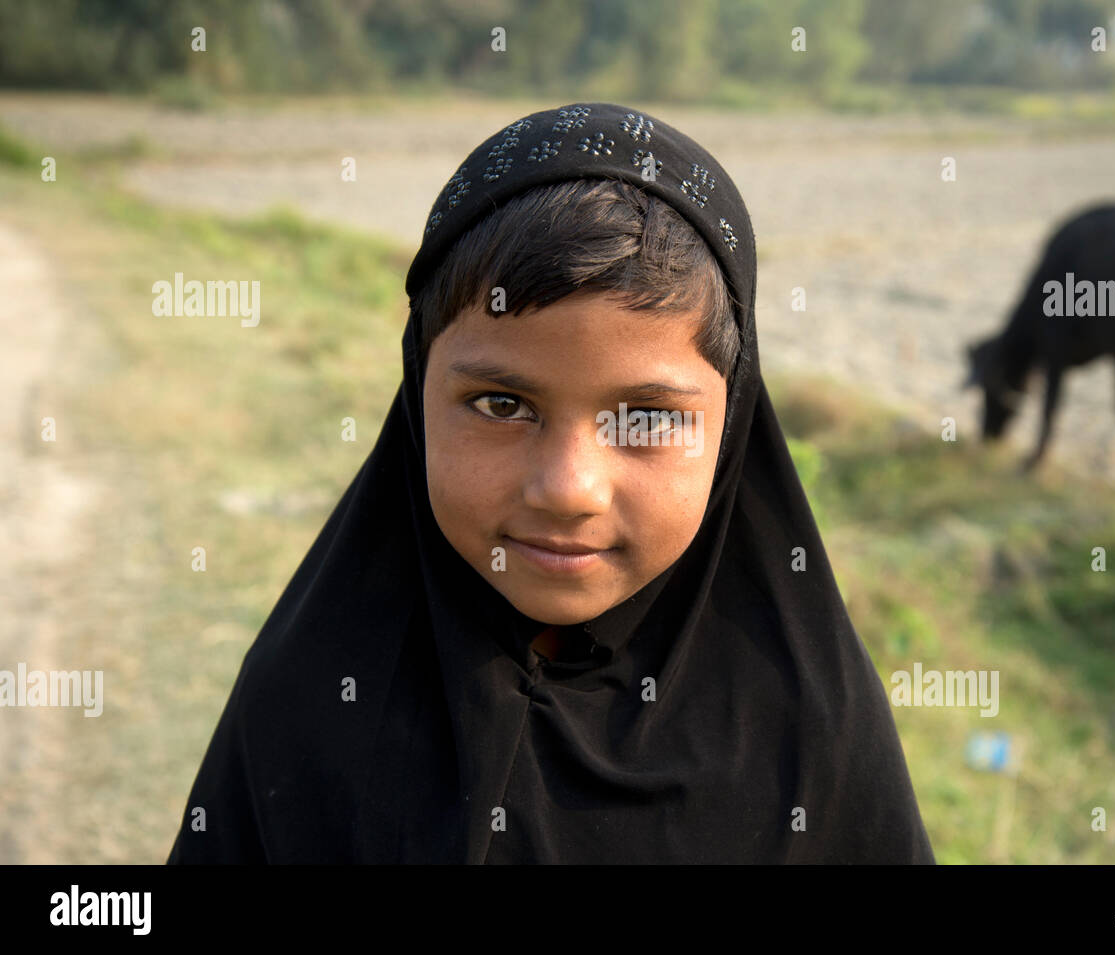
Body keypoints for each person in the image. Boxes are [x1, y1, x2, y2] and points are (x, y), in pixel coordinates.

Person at [166, 102, 936, 864]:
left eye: (646, 418)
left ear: (731, 429)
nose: (569, 488)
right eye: (503, 405)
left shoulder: (810, 731)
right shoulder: (313, 695)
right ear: (416, 396)